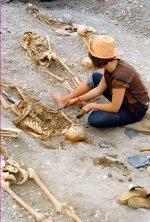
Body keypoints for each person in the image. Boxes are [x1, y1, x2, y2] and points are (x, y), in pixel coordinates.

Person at [51, 35, 149, 128]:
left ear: (98, 59)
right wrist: (77, 100)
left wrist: (92, 105)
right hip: (123, 98)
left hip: (133, 110)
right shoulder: (111, 66)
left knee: (92, 119)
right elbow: (98, 90)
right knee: (95, 77)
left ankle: (101, 111)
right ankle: (64, 100)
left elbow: (115, 107)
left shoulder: (120, 76)